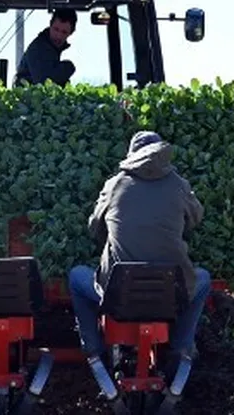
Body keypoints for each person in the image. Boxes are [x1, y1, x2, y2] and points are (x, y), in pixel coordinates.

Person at [68, 131, 211, 367]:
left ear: (131, 155)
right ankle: (181, 346)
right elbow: (196, 218)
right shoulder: (179, 185)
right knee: (202, 279)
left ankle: (92, 347)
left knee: (76, 277)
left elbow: (94, 226)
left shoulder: (115, 185)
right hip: (170, 293)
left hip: (118, 294)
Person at [13, 9, 78, 86]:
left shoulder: (51, 48)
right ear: (50, 25)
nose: (58, 36)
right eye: (56, 29)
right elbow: (43, 82)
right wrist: (68, 67)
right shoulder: (39, 48)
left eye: (64, 32)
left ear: (71, 32)